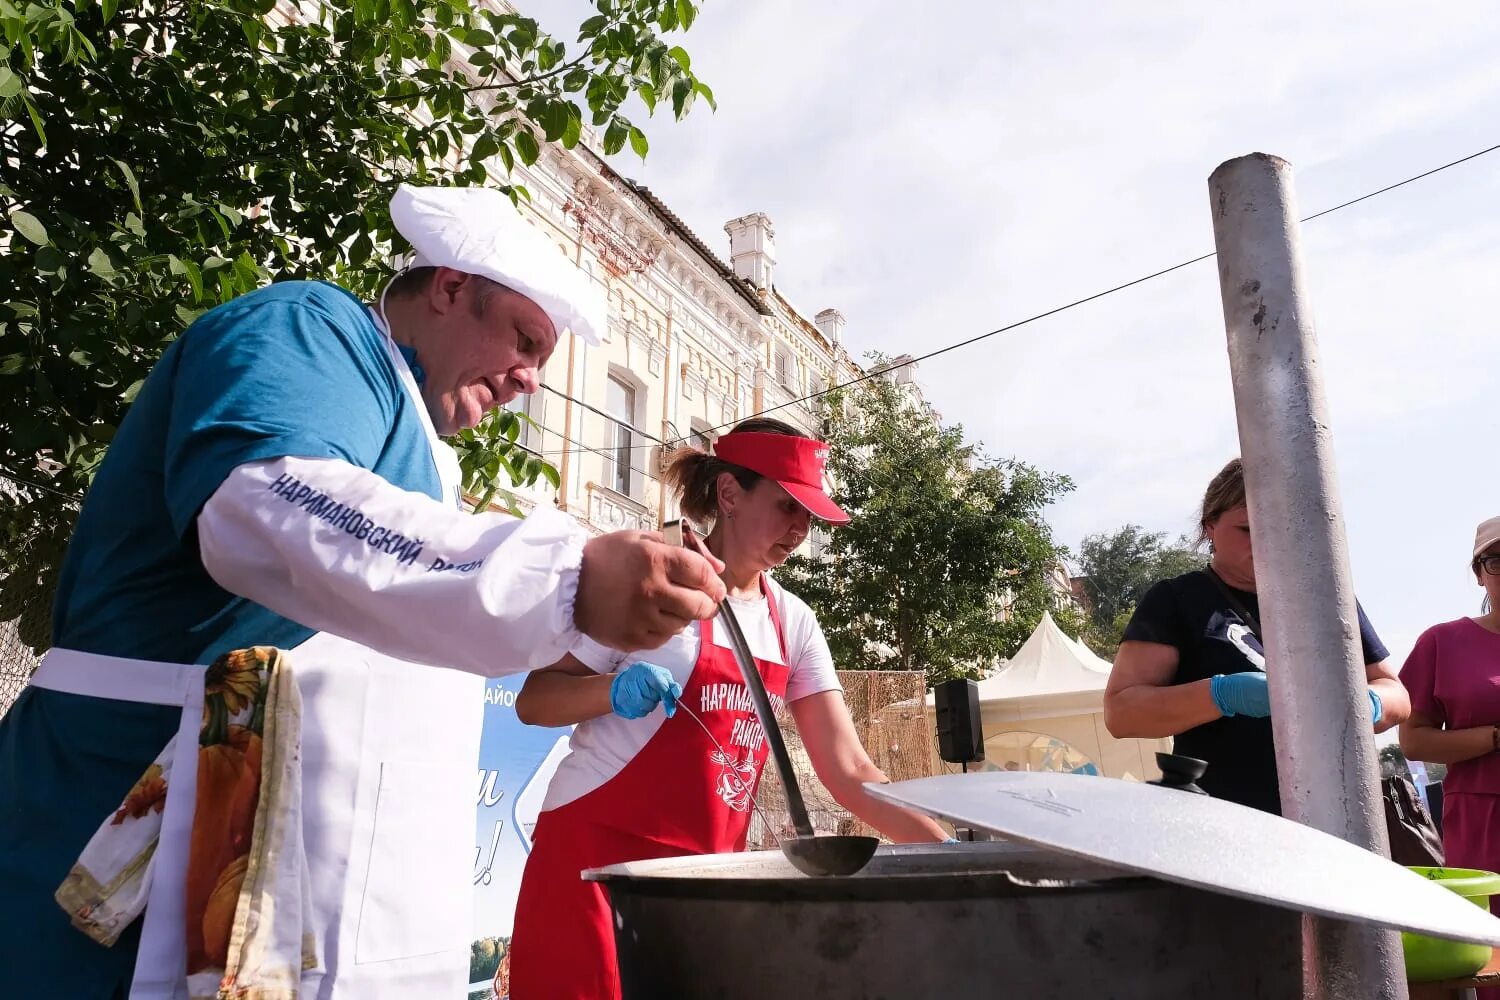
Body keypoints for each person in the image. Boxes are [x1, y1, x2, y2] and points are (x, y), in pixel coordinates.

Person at [0, 184, 727, 998]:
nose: (529, 380)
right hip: (126, 820)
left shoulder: (423, 447)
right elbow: (268, 501)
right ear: (450, 287)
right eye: (524, 340)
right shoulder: (309, 328)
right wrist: (564, 577)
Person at [506, 419, 951, 999]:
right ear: (730, 493)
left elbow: (850, 771)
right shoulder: (650, 577)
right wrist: (611, 692)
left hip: (704, 885)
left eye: (810, 516)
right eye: (787, 506)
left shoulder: (794, 623)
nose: (800, 529)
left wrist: (952, 859)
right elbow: (535, 700)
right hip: (595, 868)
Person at [1102, 458, 1408, 814]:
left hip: (1337, 813)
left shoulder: (1326, 597)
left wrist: (1365, 704)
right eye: (1247, 529)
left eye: (1281, 525)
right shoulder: (1175, 600)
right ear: (1209, 527)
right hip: (1225, 821)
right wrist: (1222, 694)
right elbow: (1121, 713)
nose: (1267, 540)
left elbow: (1398, 695)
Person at [1400, 517, 1500, 912]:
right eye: (1497, 560)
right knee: (1490, 947)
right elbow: (1413, 740)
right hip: (1483, 818)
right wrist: (1495, 736)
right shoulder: (1442, 643)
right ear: (1479, 573)